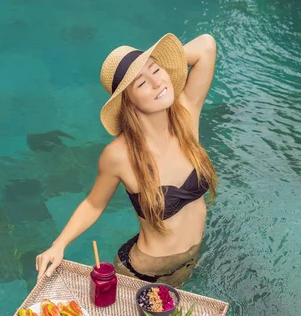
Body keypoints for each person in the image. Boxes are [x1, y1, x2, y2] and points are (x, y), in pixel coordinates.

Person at [36, 33, 218, 287]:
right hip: (148, 272)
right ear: (128, 100)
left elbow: (207, 46)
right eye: (141, 84)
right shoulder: (119, 154)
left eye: (157, 70)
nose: (157, 83)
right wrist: (59, 245)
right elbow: (93, 204)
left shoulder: (186, 116)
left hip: (194, 255)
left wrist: (152, 64)